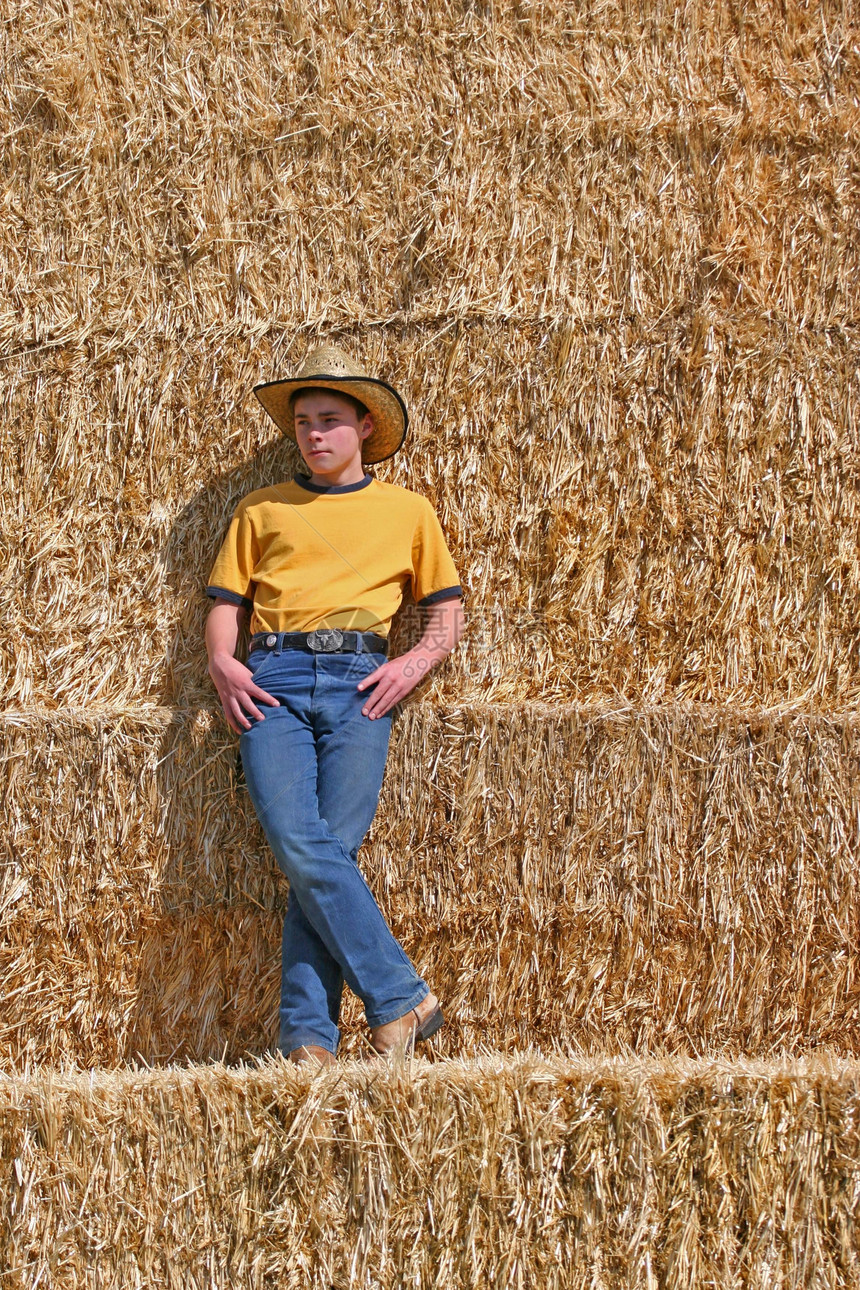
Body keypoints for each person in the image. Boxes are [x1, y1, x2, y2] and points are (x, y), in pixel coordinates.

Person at [204, 344, 464, 1066]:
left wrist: (412, 663)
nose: (314, 435)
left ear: (364, 429)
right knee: (300, 842)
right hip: (273, 680)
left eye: (328, 420)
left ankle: (308, 1042)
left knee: (328, 857)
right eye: (303, 424)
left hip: (361, 683)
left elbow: (446, 613)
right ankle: (399, 998)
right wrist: (222, 663)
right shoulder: (261, 510)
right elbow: (228, 604)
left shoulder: (408, 512)